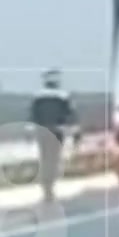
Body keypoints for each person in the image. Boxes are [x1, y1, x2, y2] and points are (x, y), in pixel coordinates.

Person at [30, 68, 78, 202]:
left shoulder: (37, 96)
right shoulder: (63, 95)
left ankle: (46, 188)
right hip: (57, 130)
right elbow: (70, 115)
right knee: (54, 160)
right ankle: (50, 187)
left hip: (41, 131)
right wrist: (73, 131)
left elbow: (33, 115)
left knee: (44, 159)